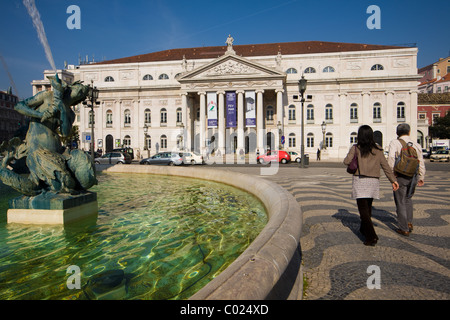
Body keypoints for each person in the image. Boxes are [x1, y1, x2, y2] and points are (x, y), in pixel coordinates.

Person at [344, 125, 399, 246]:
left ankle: (371, 236)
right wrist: (393, 180)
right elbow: (385, 166)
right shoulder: (378, 149)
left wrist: (352, 153)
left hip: (360, 180)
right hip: (373, 181)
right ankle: (363, 229)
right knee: (368, 207)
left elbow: (346, 161)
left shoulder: (356, 148)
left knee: (363, 210)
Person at [387, 123, 426, 236]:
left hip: (400, 175)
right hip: (413, 176)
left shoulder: (395, 142)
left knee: (400, 201)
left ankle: (403, 228)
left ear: (397, 133)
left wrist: (391, 176)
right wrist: (421, 176)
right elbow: (421, 162)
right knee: (408, 198)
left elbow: (391, 158)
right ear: (409, 132)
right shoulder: (416, 144)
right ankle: (409, 223)